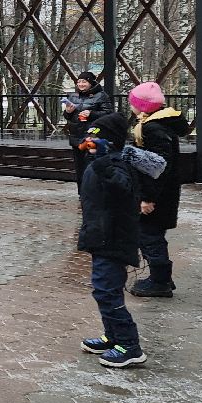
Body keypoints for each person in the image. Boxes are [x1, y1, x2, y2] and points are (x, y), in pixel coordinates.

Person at [77, 112, 166, 367]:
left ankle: (129, 345)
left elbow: (123, 189)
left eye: (97, 140)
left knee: (107, 292)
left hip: (114, 237)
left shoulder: (117, 165)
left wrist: (105, 160)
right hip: (101, 235)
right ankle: (113, 336)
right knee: (105, 290)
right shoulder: (99, 163)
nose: (90, 144)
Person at [126, 82, 190, 298]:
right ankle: (161, 278)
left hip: (158, 193)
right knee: (152, 233)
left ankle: (160, 281)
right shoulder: (163, 123)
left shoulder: (153, 129)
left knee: (149, 234)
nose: (130, 107)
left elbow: (157, 166)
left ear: (143, 107)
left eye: (133, 103)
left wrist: (147, 197)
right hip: (165, 191)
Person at [62, 71, 114, 194]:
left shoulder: (101, 96)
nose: (81, 84)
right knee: (79, 167)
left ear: (90, 83)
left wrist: (92, 114)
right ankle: (82, 193)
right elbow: (67, 117)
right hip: (76, 136)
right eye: (79, 81)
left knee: (91, 165)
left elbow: (109, 114)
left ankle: (94, 192)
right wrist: (68, 112)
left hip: (92, 136)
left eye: (84, 81)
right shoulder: (73, 96)